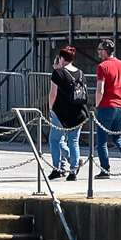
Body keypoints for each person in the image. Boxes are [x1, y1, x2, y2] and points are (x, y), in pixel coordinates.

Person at [92, 38, 121, 178]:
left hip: (106, 106)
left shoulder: (102, 67)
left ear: (105, 51)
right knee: (118, 137)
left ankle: (105, 169)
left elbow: (100, 90)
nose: (98, 52)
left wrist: (97, 105)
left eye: (99, 50)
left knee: (102, 141)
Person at [46, 47, 89, 181]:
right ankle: (73, 171)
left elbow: (53, 93)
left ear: (61, 58)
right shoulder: (81, 73)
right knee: (73, 141)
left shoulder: (58, 73)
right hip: (79, 113)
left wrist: (51, 109)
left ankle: (57, 168)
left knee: (54, 139)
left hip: (61, 113)